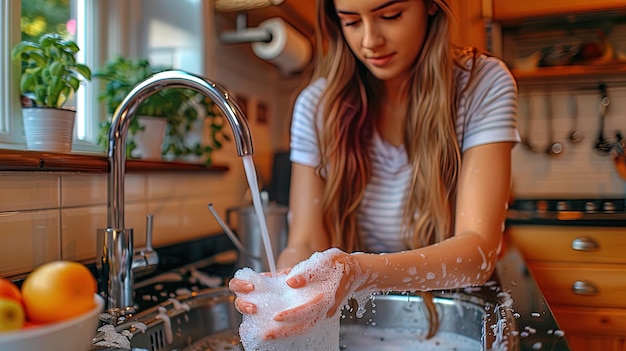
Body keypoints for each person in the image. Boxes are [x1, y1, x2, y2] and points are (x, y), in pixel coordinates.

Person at [230, 0, 519, 341]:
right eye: (351, 22)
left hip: (456, 309)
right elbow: (305, 239)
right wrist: (286, 286)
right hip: (360, 316)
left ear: (429, 6)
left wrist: (358, 272)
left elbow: (478, 252)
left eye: (390, 16)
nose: (370, 41)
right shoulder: (316, 106)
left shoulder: (481, 84)